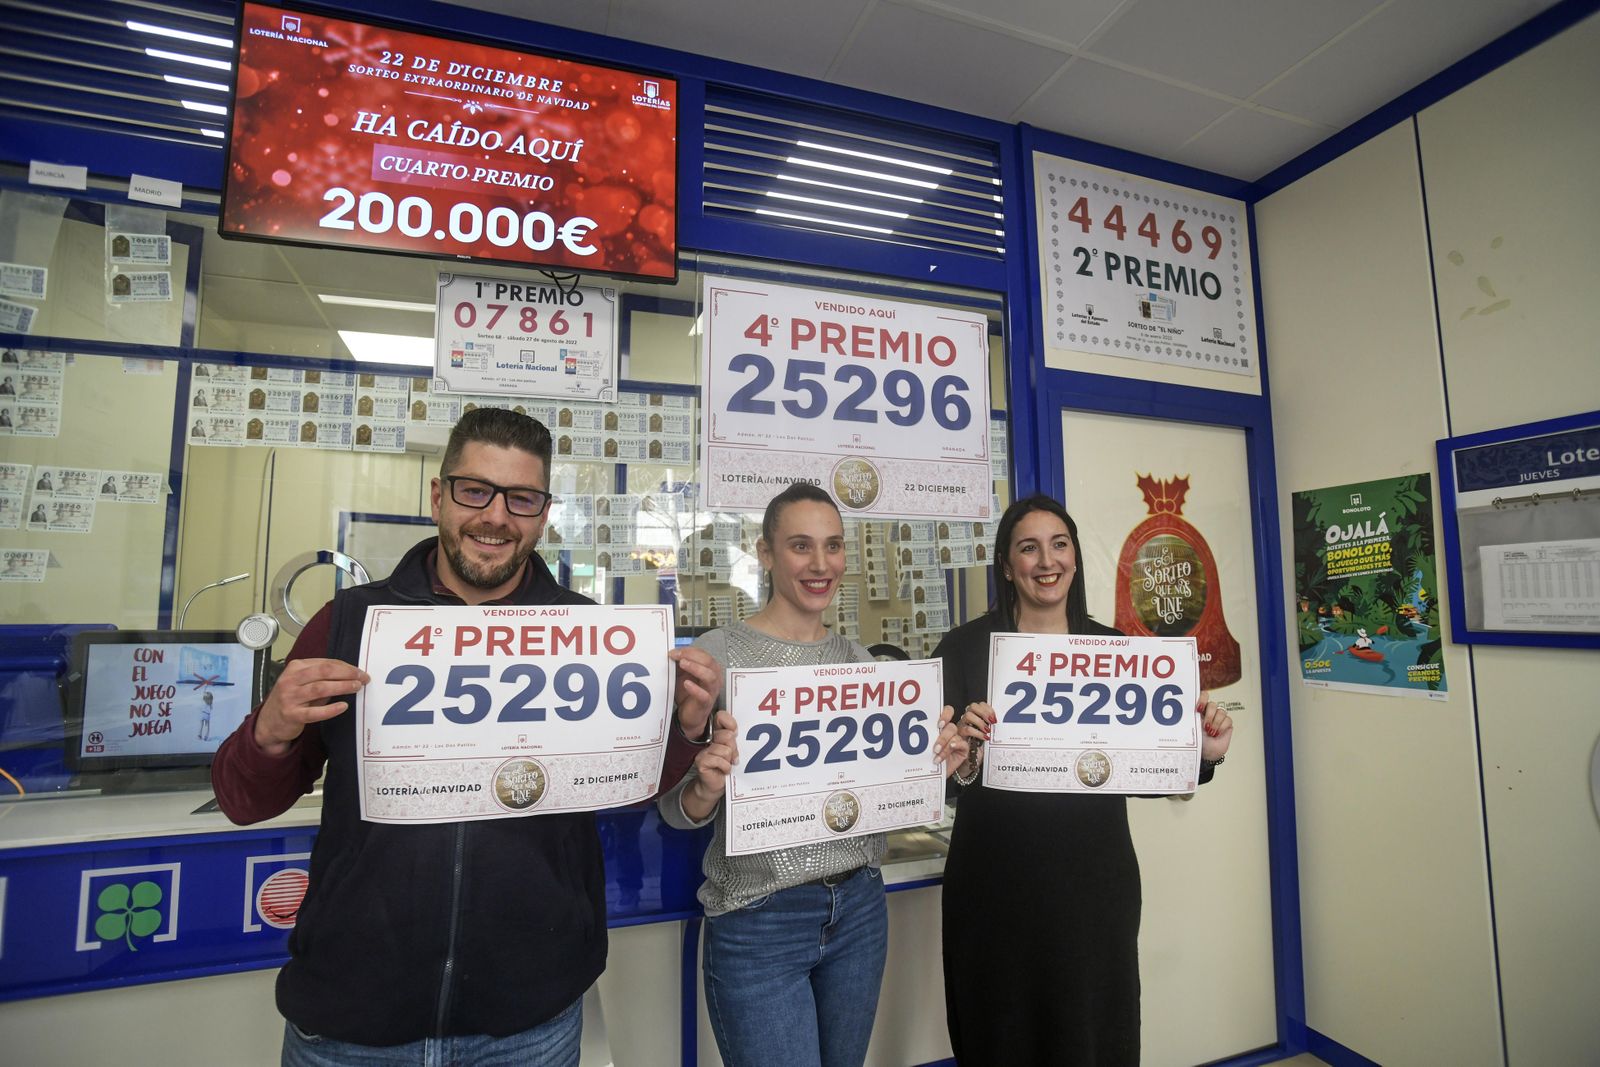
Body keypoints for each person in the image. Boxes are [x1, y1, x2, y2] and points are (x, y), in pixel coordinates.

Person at [212, 408, 722, 1065]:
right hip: (352, 1019)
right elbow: (243, 800)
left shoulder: (588, 635)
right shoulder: (350, 622)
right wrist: (270, 731)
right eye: (475, 490)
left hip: (527, 1021)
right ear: (438, 495)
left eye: (522, 498)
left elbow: (625, 791)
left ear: (543, 514)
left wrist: (681, 729)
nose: (495, 516)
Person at [659, 482, 969, 1067]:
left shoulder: (863, 665)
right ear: (766, 553)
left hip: (859, 911)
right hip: (757, 920)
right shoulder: (718, 655)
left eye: (833, 546)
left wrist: (934, 767)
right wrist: (703, 787)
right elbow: (676, 811)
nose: (820, 564)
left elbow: (890, 791)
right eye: (800, 546)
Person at [936, 495, 1233, 1066]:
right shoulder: (964, 650)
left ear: (1074, 557)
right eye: (1028, 548)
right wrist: (962, 760)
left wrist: (1204, 755)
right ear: (1006, 564)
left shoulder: (1119, 652)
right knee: (997, 1036)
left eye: (1059, 544)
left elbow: (1154, 772)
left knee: (1091, 1039)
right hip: (993, 890)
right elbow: (937, 781)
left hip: (1093, 889)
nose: (1046, 561)